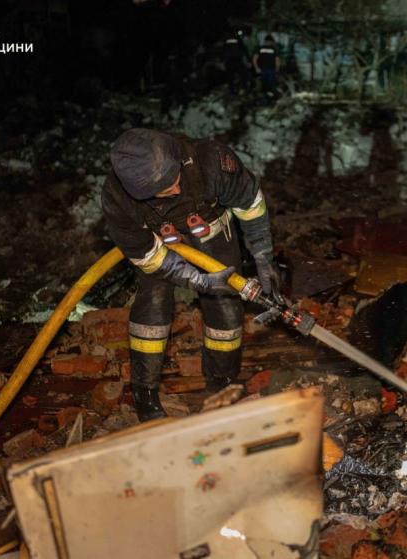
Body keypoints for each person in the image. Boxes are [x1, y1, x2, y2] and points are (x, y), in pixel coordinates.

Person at [101, 128, 281, 421]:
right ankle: (144, 394)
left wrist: (263, 256)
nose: (175, 191)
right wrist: (199, 281)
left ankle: (221, 383)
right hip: (158, 243)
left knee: (225, 306)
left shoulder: (211, 160)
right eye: (163, 191)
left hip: (210, 227)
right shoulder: (117, 199)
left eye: (175, 181)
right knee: (153, 307)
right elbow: (148, 257)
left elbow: (250, 204)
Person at [222, 29, 251, 95]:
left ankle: (232, 90)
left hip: (229, 61)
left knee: (230, 76)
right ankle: (243, 88)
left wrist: (223, 62)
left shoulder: (226, 40)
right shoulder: (238, 39)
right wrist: (248, 60)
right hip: (237, 60)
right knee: (243, 74)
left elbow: (224, 51)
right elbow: (244, 49)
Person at [252, 34, 280, 100]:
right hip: (271, 70)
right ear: (271, 41)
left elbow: (254, 58)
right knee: (271, 85)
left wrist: (256, 68)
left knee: (264, 85)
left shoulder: (260, 48)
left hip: (262, 70)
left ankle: (264, 98)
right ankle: (271, 99)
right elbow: (277, 60)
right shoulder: (274, 49)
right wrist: (277, 69)